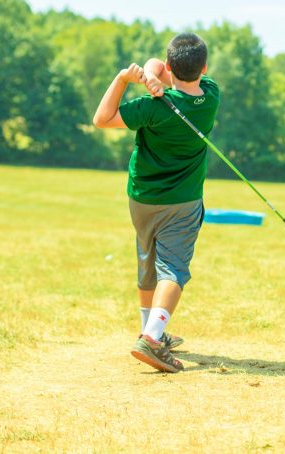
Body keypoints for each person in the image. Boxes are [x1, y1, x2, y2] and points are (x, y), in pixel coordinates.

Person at [92, 33, 219, 373]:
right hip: (183, 202)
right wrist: (152, 75)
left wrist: (126, 78)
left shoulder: (151, 107)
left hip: (142, 199)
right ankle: (151, 338)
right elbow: (167, 72)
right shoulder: (211, 96)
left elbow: (102, 119)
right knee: (173, 269)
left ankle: (150, 331)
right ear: (204, 67)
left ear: (167, 66)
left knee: (148, 263)